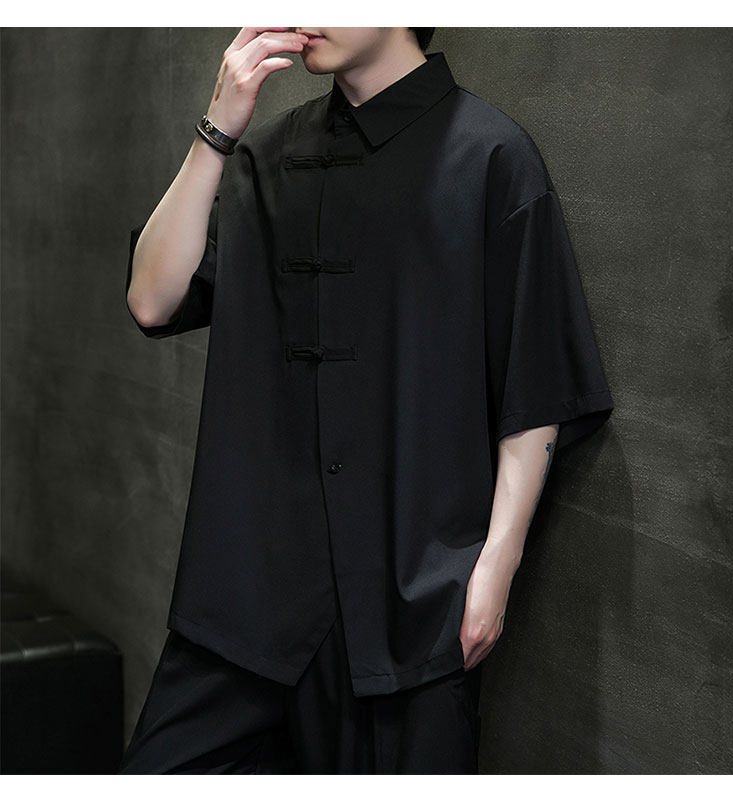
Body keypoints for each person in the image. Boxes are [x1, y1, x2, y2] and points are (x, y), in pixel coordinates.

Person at [118, 27, 614, 774]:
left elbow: (536, 381)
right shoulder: (268, 153)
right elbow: (152, 300)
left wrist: (498, 563)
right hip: (246, 598)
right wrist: (217, 130)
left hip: (411, 609)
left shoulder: (490, 155)